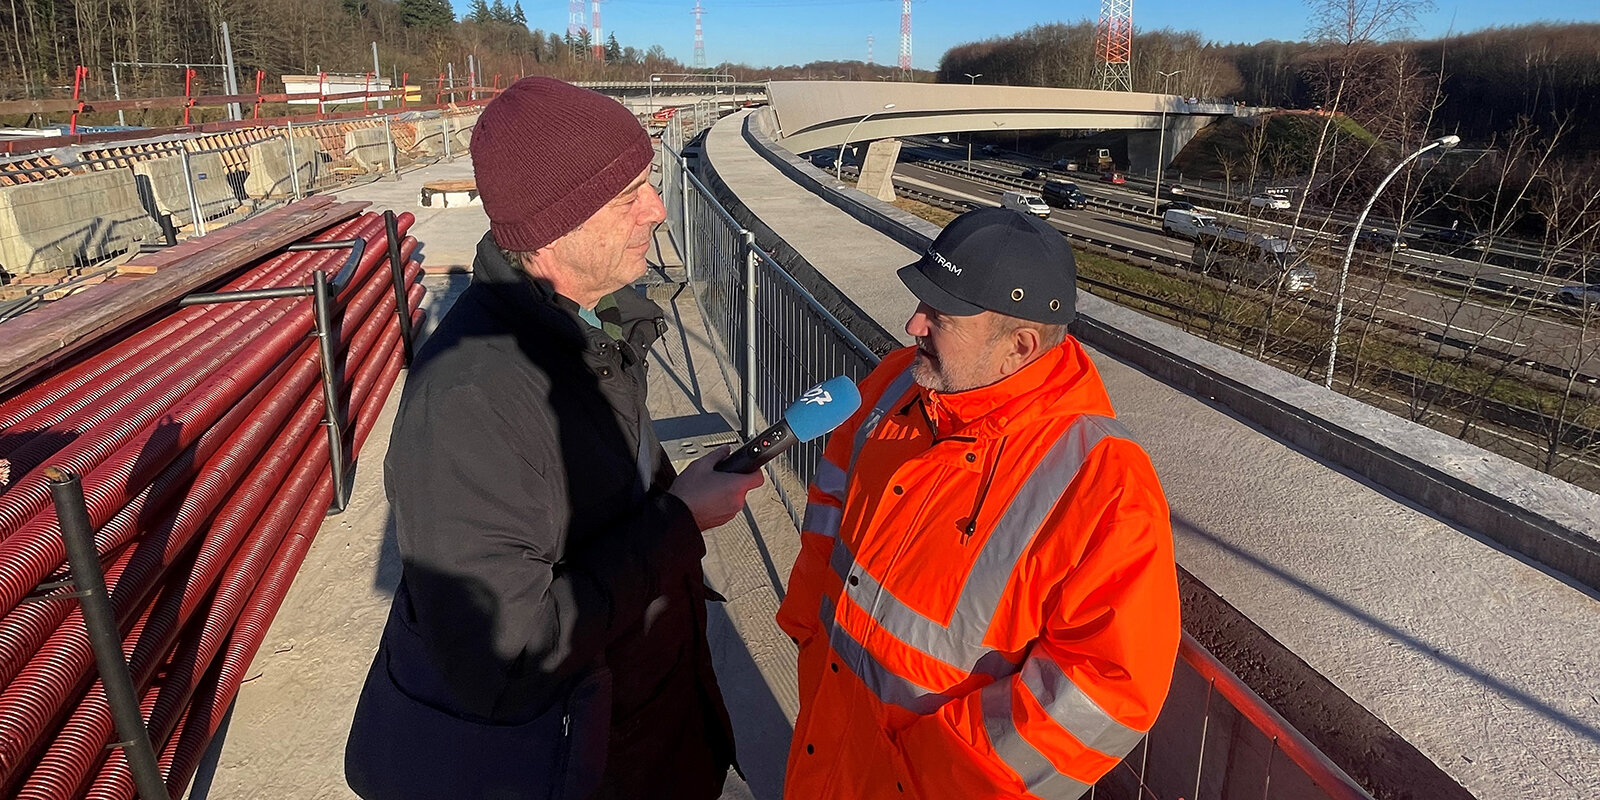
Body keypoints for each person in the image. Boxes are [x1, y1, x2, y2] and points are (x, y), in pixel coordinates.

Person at [345, 77, 763, 800]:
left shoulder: (592, 329)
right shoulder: (473, 401)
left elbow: (600, 509)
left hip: (644, 736)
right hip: (581, 763)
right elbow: (503, 663)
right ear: (552, 226)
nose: (658, 211)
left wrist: (672, 495)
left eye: (650, 184)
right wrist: (680, 520)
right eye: (628, 195)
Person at [777, 207, 1180, 799]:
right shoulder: (894, 386)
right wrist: (807, 632)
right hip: (827, 743)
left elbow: (1110, 687)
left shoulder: (1103, 482)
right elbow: (829, 513)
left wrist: (937, 771)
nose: (913, 325)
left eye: (939, 316)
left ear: (1018, 346)